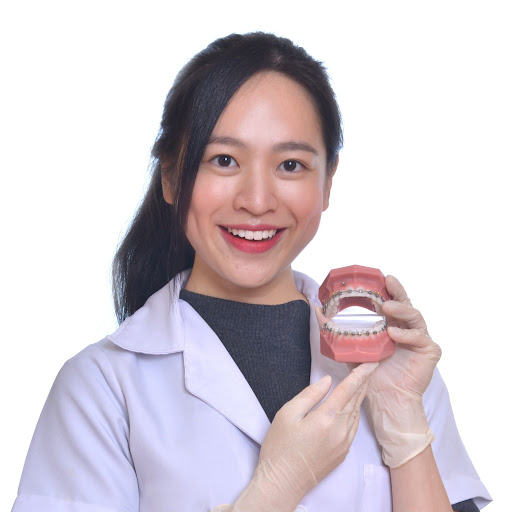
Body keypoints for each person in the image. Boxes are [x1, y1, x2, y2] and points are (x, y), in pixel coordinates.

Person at [12, 32, 491, 512]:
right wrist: (272, 491)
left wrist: (404, 426)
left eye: (290, 164)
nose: (257, 201)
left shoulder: (395, 367)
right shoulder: (101, 387)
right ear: (171, 178)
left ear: (328, 181)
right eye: (224, 161)